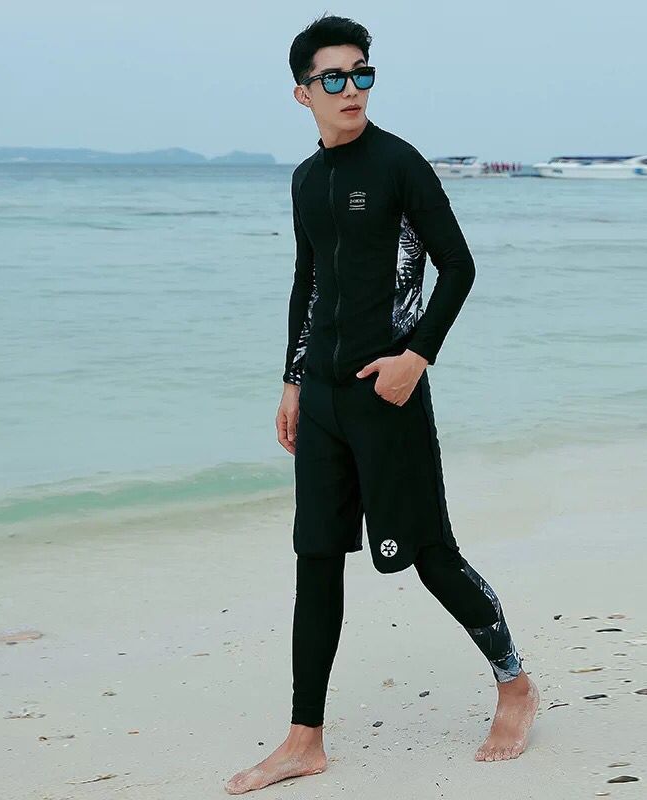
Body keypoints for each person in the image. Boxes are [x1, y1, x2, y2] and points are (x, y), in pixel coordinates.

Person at [225, 14, 539, 795]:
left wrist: (416, 358)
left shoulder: (399, 164)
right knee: (315, 559)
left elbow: (458, 267)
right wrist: (292, 381)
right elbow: (308, 283)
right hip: (323, 397)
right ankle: (304, 740)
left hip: (387, 395)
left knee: (429, 555)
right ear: (302, 93)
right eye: (333, 77)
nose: (351, 88)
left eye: (361, 72)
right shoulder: (307, 179)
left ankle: (514, 685)